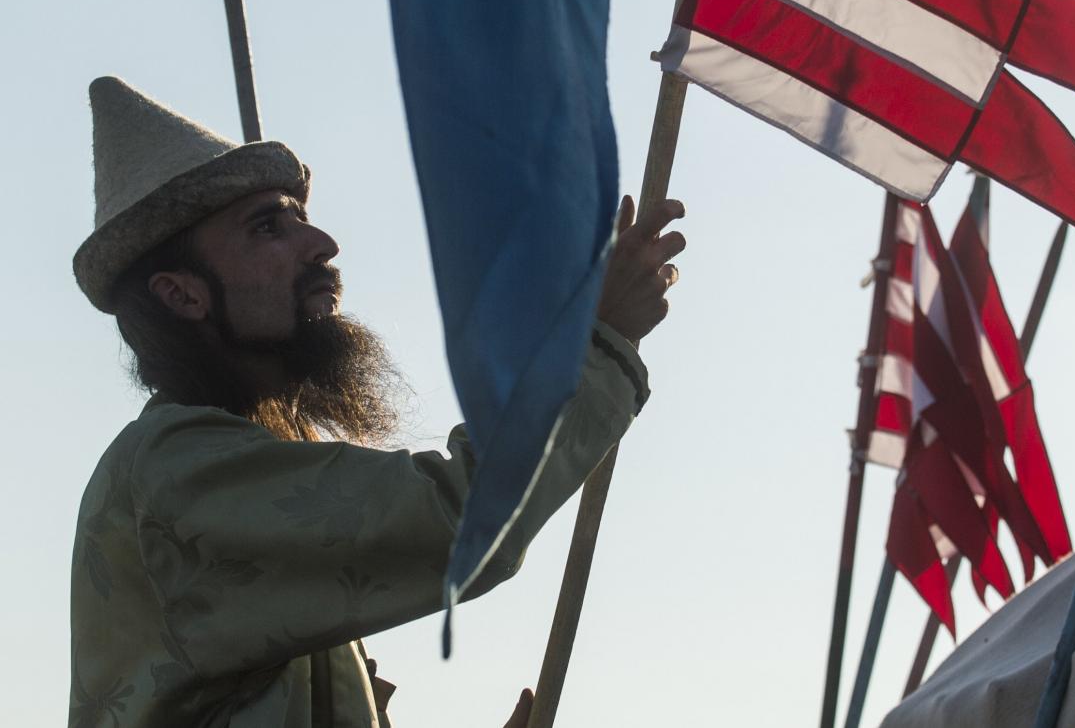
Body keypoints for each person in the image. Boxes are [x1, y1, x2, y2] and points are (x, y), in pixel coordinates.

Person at [67, 77, 685, 727]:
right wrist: (598, 345)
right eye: (267, 227)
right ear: (182, 295)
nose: (320, 244)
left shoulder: (238, 470)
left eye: (299, 218)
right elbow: (459, 516)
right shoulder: (178, 470)